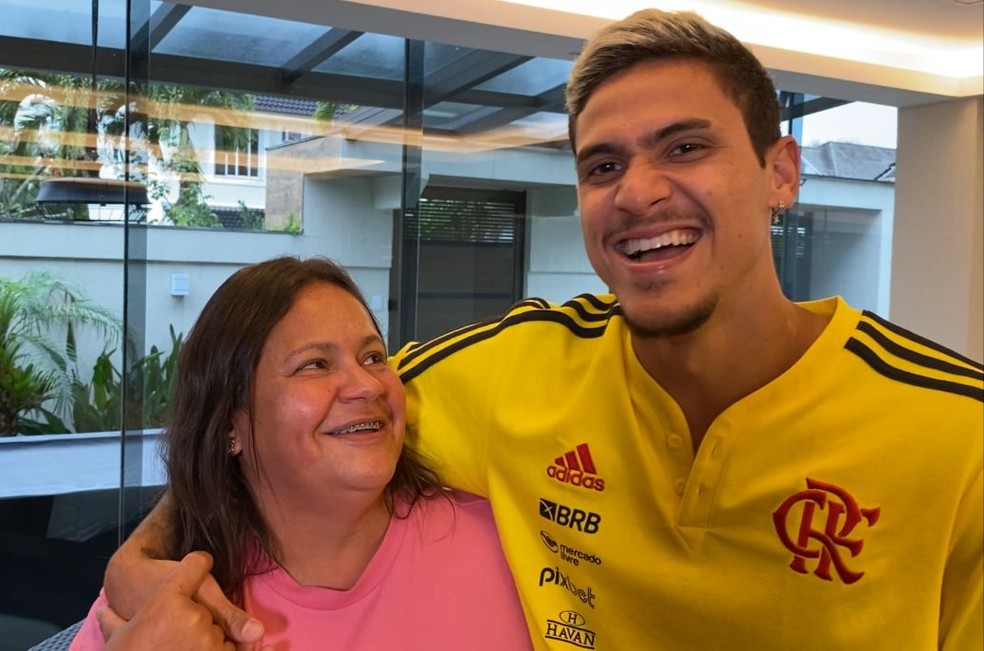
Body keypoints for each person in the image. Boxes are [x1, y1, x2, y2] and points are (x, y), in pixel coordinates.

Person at [101, 9, 983, 651]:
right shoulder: (514, 369)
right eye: (604, 164)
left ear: (780, 171)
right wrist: (146, 560)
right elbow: (284, 427)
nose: (637, 190)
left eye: (684, 147)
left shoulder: (956, 437)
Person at [69, 256, 531, 650]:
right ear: (231, 424)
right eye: (315, 365)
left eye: (373, 357)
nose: (368, 385)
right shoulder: (160, 601)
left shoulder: (508, 541)